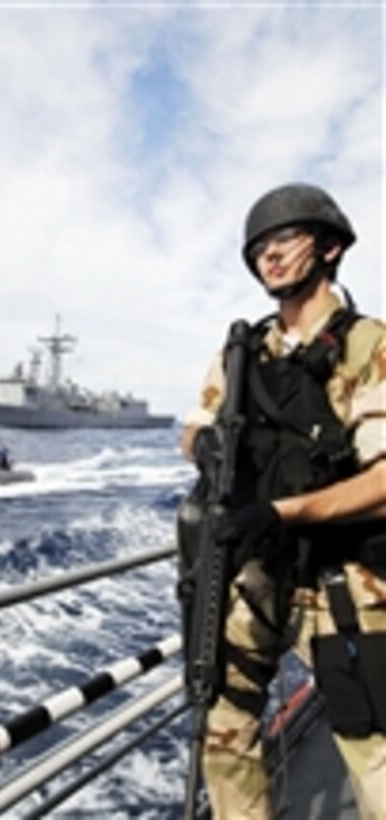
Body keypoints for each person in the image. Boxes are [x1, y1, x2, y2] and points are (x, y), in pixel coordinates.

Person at [181, 183, 386, 819]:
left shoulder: (365, 345)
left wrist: (284, 511)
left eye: (284, 241)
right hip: (254, 574)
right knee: (223, 723)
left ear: (329, 248)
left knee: (369, 739)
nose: (268, 257)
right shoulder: (242, 353)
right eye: (258, 249)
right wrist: (206, 446)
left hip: (341, 581)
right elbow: (195, 426)